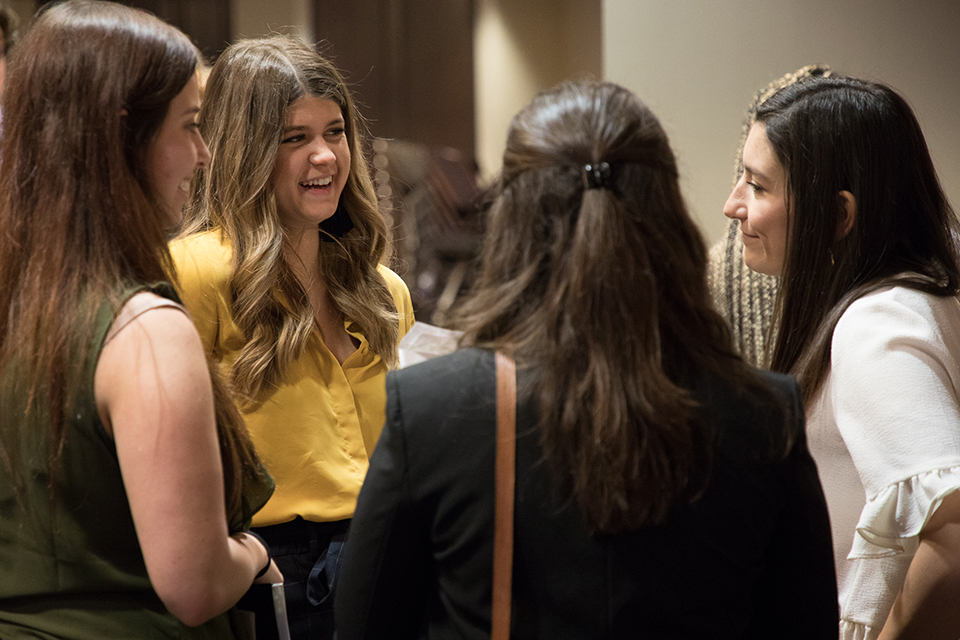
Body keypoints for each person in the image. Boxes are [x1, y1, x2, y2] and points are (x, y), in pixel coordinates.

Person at [335, 79, 838, 639]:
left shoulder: (432, 412)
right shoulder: (765, 414)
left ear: (513, 225)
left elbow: (364, 624)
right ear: (668, 219)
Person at [0, 2, 279, 638]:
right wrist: (256, 556)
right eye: (190, 126)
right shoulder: (144, 332)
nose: (205, 155)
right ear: (124, 138)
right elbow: (195, 583)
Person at [171, 35, 415, 640]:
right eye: (294, 138)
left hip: (393, 556)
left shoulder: (382, 289)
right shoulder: (195, 273)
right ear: (243, 151)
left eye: (335, 132)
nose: (327, 156)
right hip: (277, 570)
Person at [723, 75, 960, 640]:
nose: (733, 205)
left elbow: (952, 548)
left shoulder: (875, 327)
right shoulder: (925, 295)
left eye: (757, 186)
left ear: (839, 215)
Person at [708, 65, 832, 366]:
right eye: (745, 178)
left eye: (757, 185)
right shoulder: (722, 268)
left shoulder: (883, 319)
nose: (730, 207)